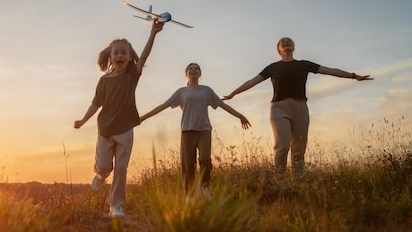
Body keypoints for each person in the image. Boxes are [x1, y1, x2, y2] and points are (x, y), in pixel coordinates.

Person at [223, 37, 372, 178]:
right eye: (283, 41)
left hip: (300, 107)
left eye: (289, 41)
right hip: (279, 108)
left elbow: (331, 70)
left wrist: (353, 76)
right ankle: (279, 180)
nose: (286, 42)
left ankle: (297, 181)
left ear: (293, 47)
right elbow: (252, 81)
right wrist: (233, 93)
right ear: (279, 49)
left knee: (299, 148)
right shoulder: (273, 68)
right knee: (282, 146)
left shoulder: (304, 65)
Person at [74, 20, 164, 219]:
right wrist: (82, 120)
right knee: (105, 166)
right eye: (116, 53)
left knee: (121, 168)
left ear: (130, 56)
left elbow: (146, 55)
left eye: (124, 52)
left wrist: (153, 33)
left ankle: (116, 206)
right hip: (105, 129)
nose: (120, 55)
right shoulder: (104, 81)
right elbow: (96, 104)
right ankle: (100, 174)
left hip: (125, 128)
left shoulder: (132, 75)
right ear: (110, 57)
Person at [140, 62, 251, 198]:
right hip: (187, 130)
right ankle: (190, 196)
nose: (193, 70)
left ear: (200, 73)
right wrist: (144, 117)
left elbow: (222, 105)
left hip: (204, 129)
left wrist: (240, 116)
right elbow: (164, 105)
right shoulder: (181, 92)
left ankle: (204, 188)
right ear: (186, 74)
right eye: (190, 68)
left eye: (196, 68)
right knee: (188, 165)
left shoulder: (207, 91)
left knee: (205, 159)